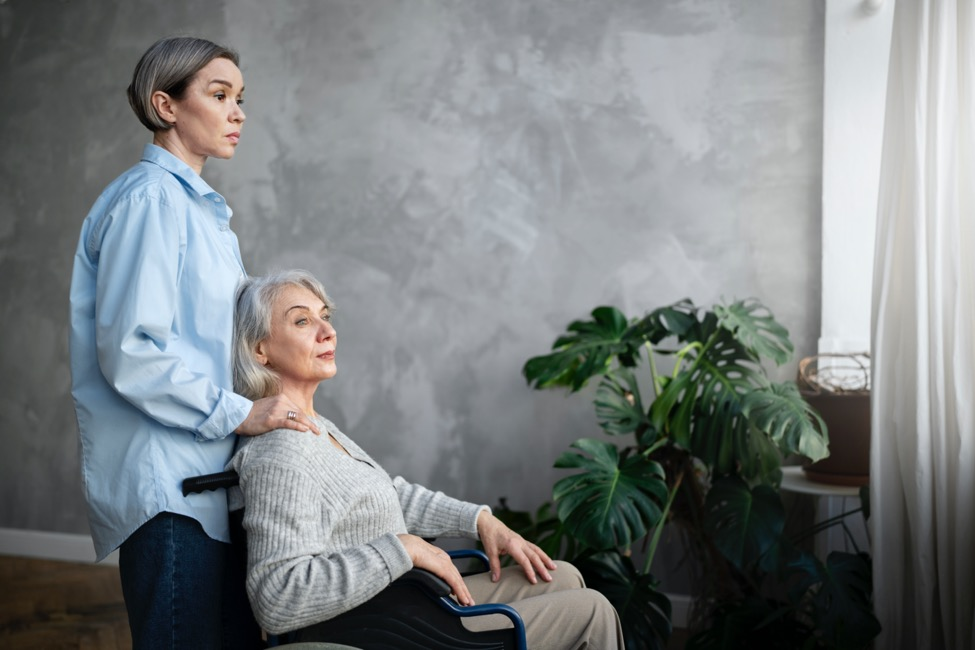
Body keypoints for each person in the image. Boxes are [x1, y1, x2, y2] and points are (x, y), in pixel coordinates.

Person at [69, 37, 319, 649]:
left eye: (240, 98)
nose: (238, 113)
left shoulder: (200, 213)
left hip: (207, 481)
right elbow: (132, 350)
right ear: (167, 105)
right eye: (219, 95)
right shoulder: (151, 201)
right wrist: (243, 412)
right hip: (170, 490)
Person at [227, 269, 625, 649]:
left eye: (325, 316)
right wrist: (403, 548)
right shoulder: (280, 451)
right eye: (301, 322)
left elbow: (387, 494)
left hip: (408, 601)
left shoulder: (317, 427)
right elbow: (278, 599)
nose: (327, 331)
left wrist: (478, 519)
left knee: (564, 576)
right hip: (386, 626)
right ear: (260, 349)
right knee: (593, 612)